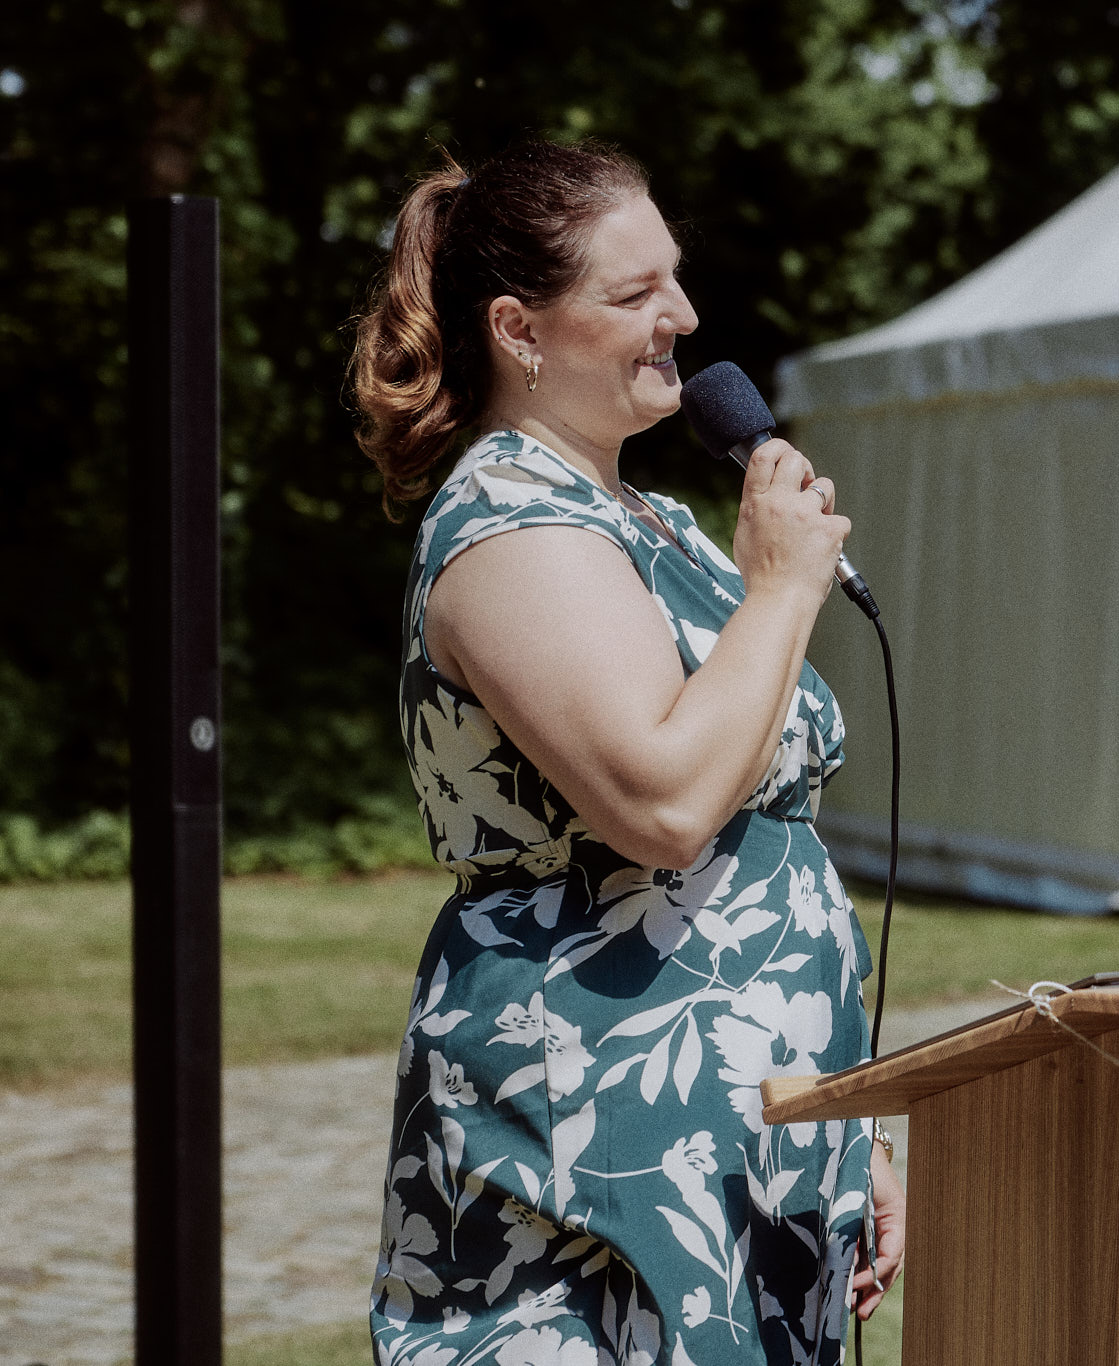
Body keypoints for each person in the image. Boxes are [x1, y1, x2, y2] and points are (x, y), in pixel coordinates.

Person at [349, 138, 904, 1366]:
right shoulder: (508, 526)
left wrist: (846, 1127)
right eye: (634, 291)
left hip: (751, 1135)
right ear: (519, 330)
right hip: (601, 1146)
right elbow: (660, 806)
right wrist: (778, 591)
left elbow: (765, 848)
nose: (685, 316)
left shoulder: (648, 522)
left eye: (678, 279)